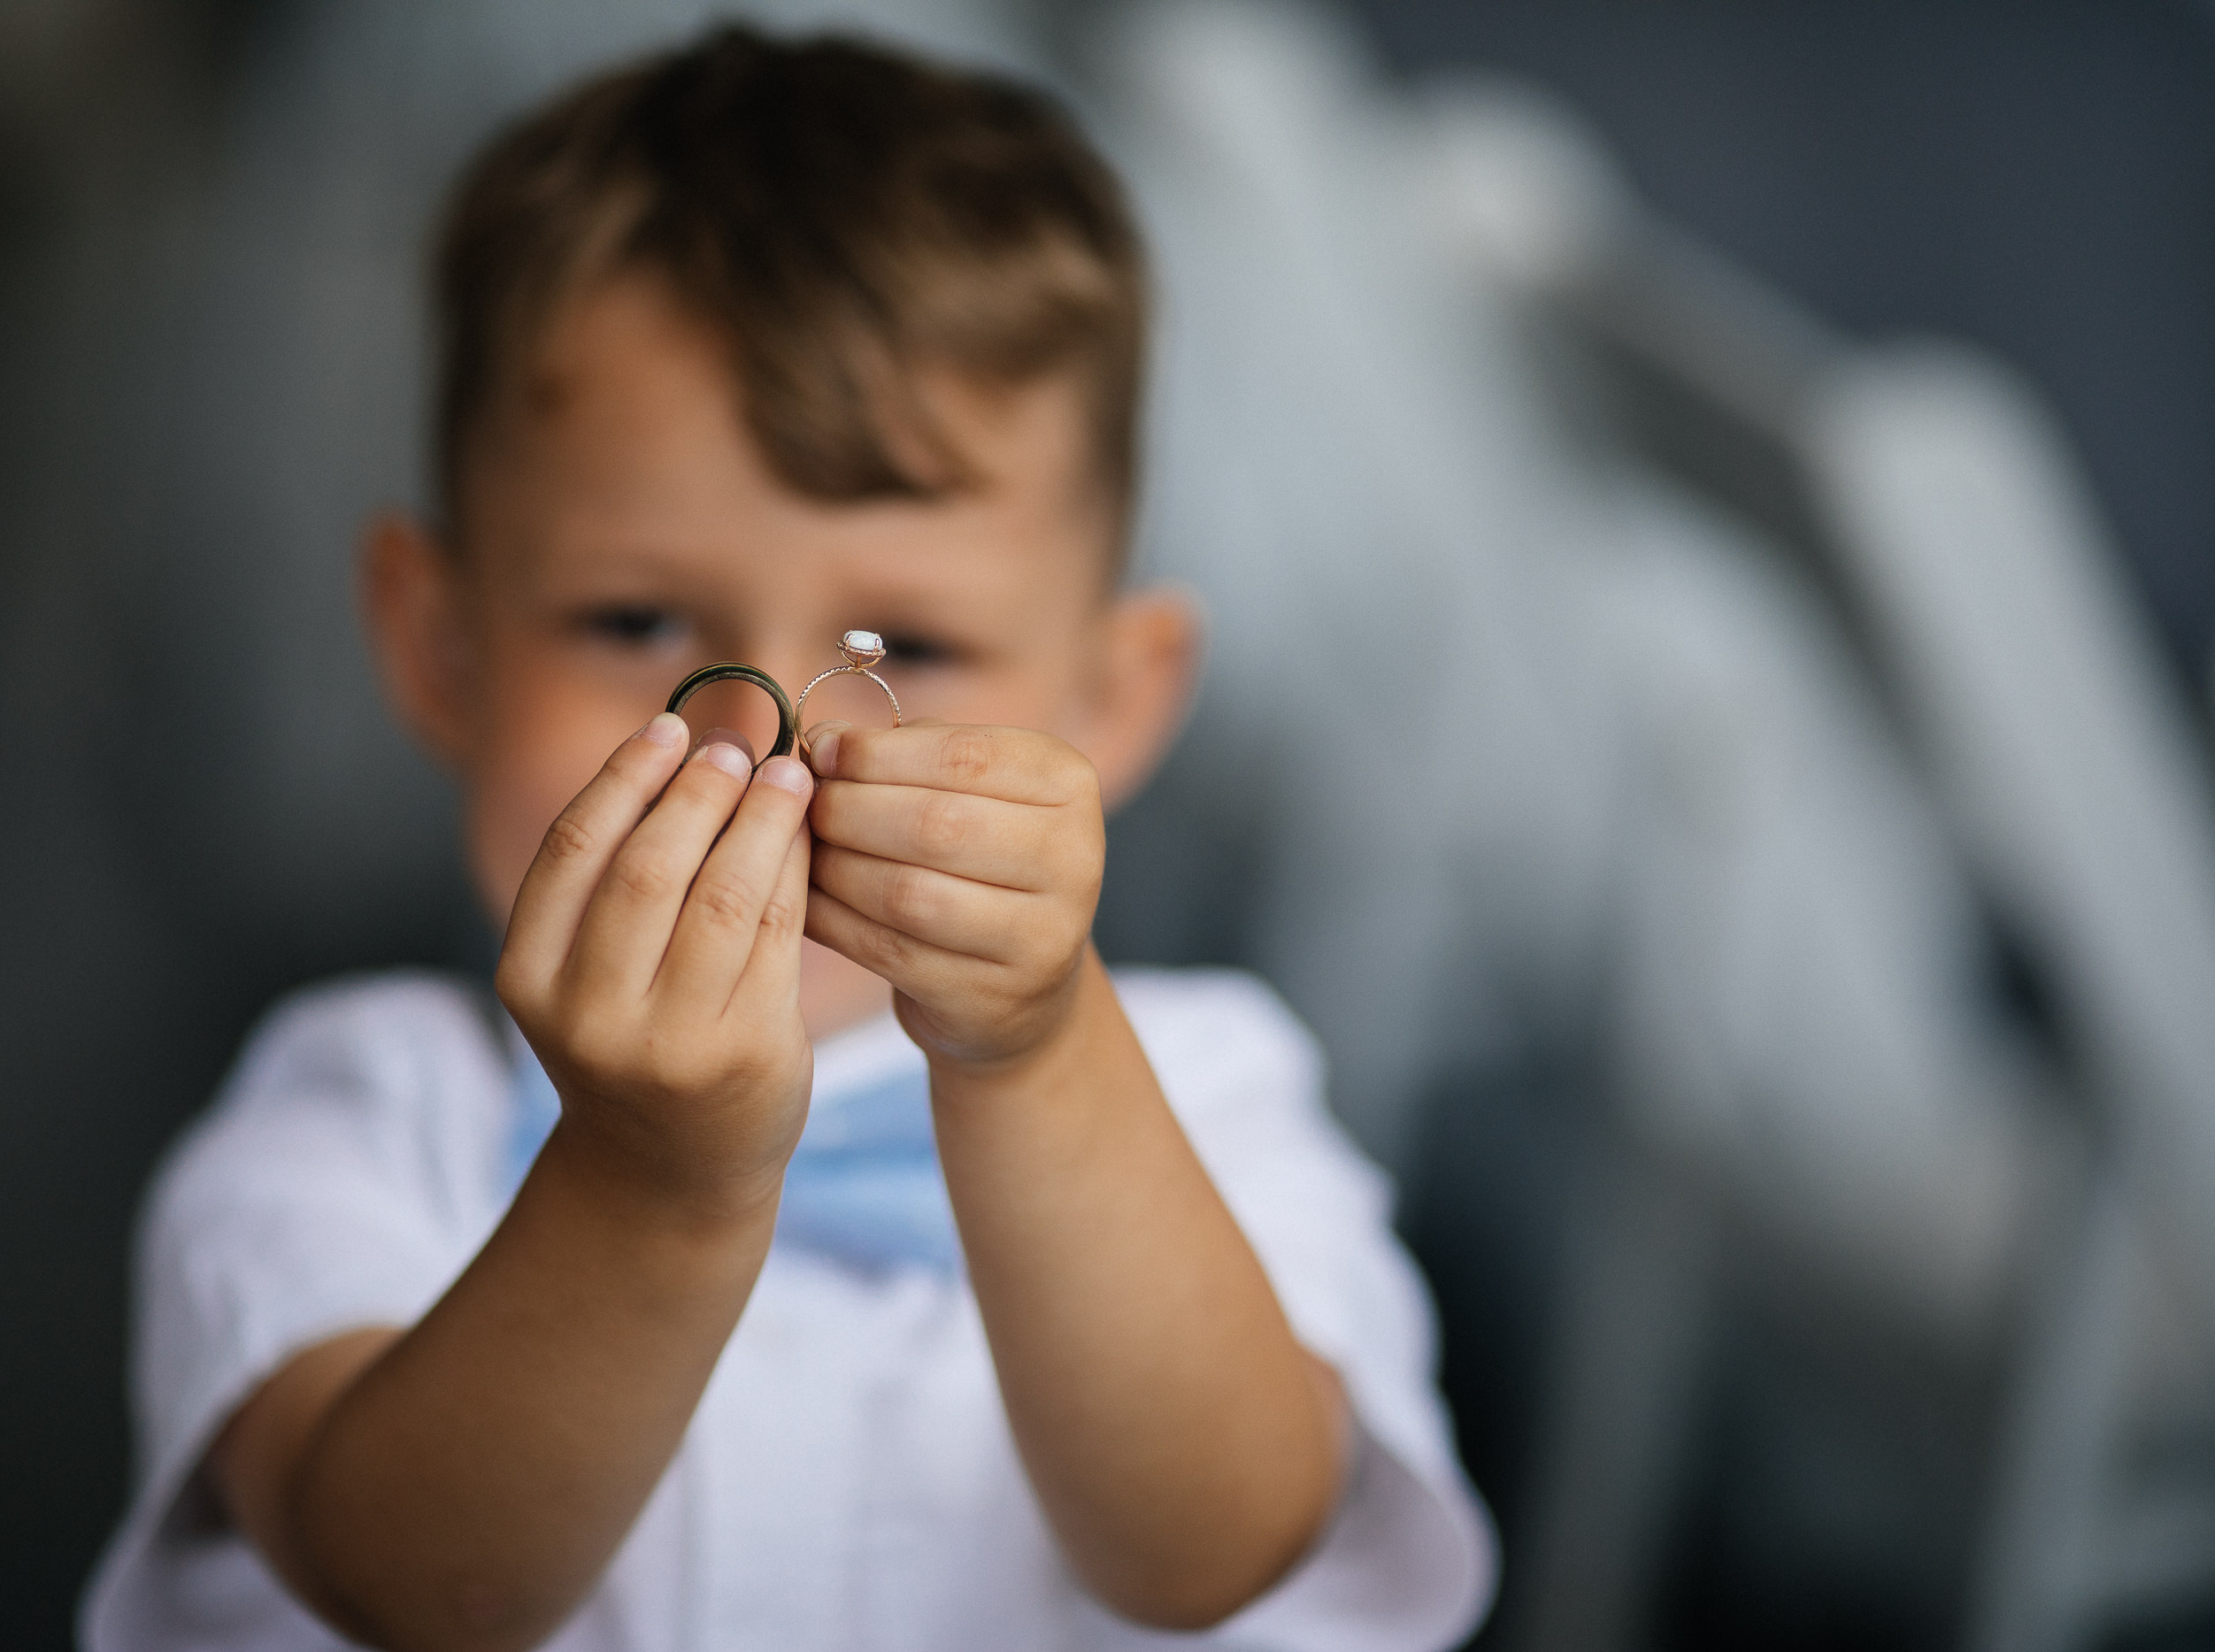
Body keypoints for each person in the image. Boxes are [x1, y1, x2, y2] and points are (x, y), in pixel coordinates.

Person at [83, 26, 1492, 1652]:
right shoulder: (350, 1122)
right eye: (633, 619)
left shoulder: (1220, 1101)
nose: (770, 742)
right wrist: (647, 1188)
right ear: (439, 648)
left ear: (1116, 701)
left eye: (913, 649)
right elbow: (418, 1590)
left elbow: (1216, 1553)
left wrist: (1035, 1056)